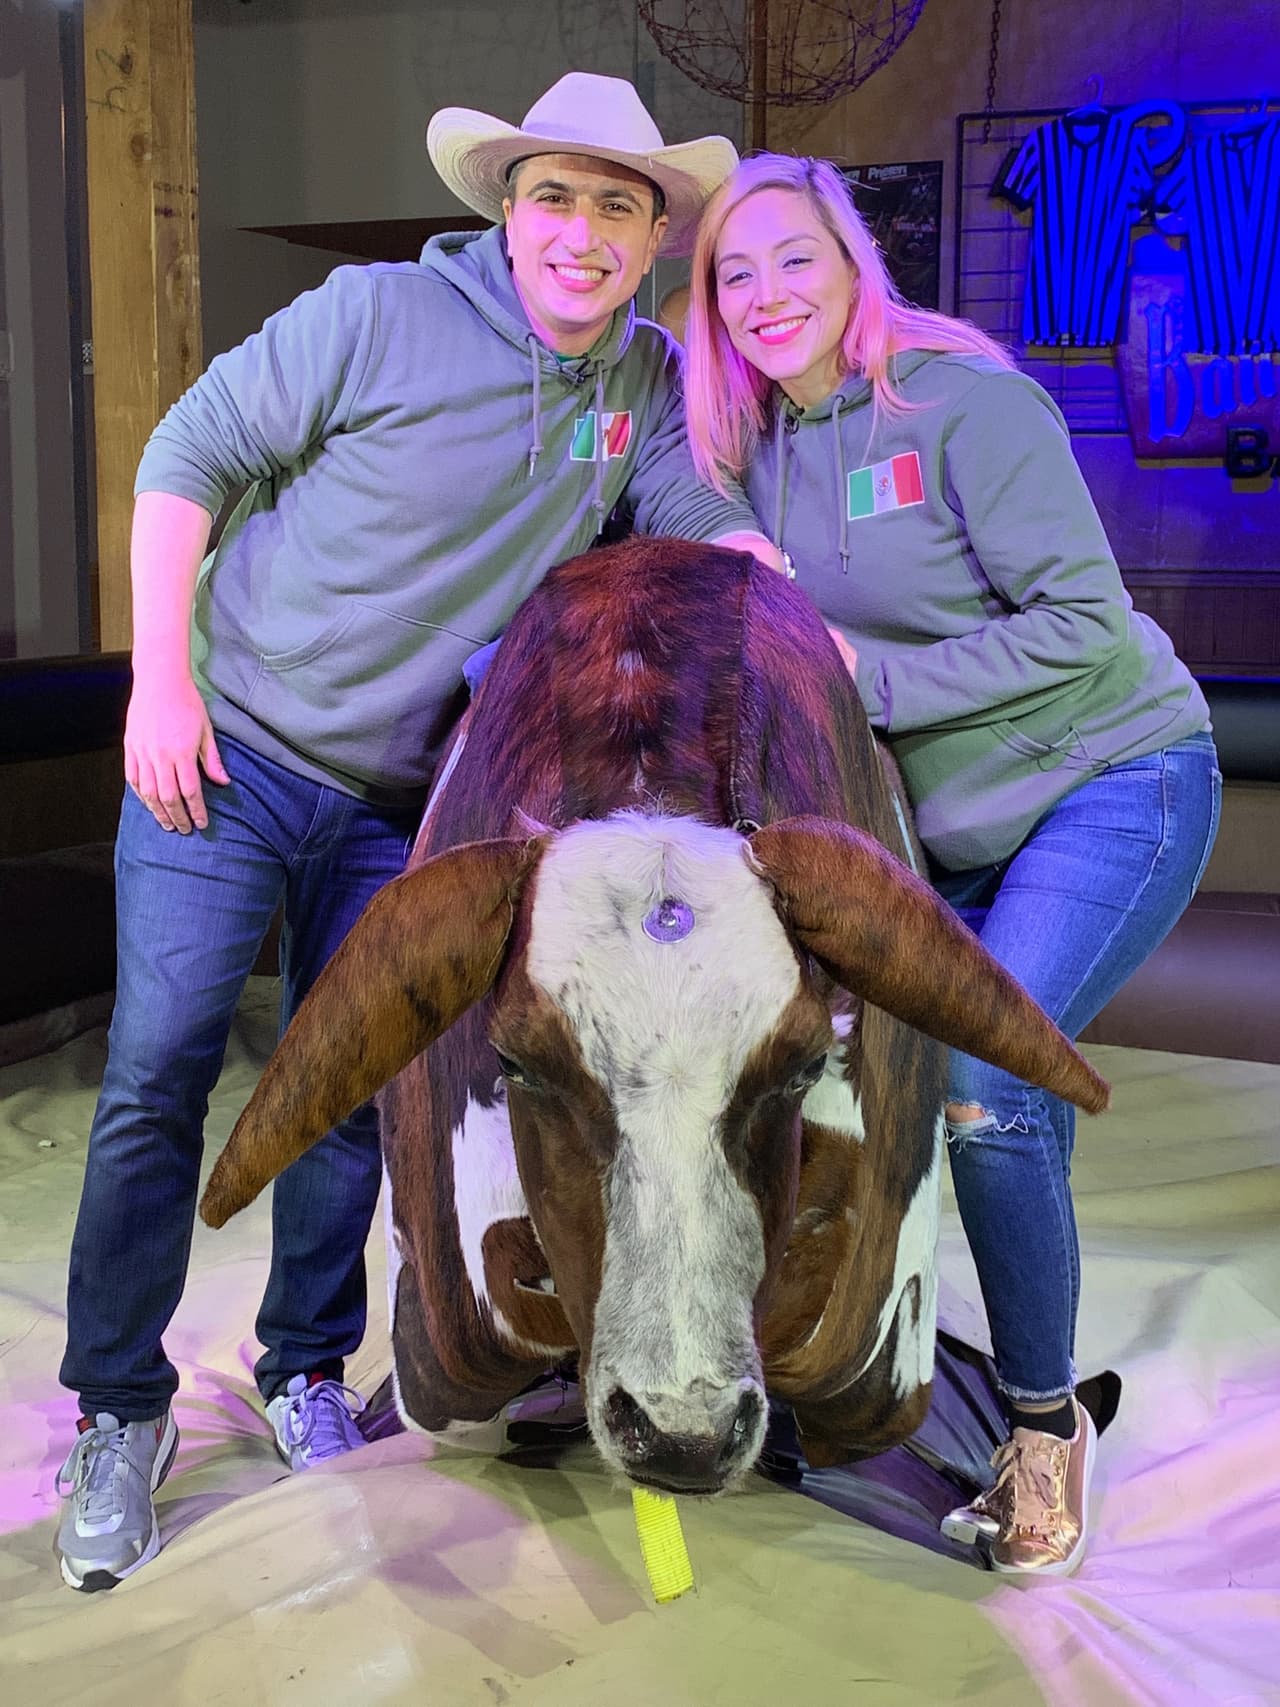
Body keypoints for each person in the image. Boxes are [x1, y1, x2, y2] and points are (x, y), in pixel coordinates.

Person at [54, 71, 781, 1594]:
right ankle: (117, 1411)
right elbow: (183, 460)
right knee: (161, 1068)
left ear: (651, 238)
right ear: (509, 212)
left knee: (351, 1093)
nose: (582, 234)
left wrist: (785, 590)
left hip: (403, 804)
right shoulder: (374, 316)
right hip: (228, 755)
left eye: (618, 205)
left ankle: (302, 1365)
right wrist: (162, 682)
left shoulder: (635, 387)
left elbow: (698, 526)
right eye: (556, 198)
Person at [683, 153, 1220, 1578]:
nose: (767, 294)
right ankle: (847, 1354)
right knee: (824, 1067)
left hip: (1113, 778)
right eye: (736, 274)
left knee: (987, 1092)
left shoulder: (965, 401)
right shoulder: (751, 447)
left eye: (795, 258)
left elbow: (1086, 626)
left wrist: (868, 681)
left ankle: (1043, 1427)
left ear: (853, 263)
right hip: (948, 835)